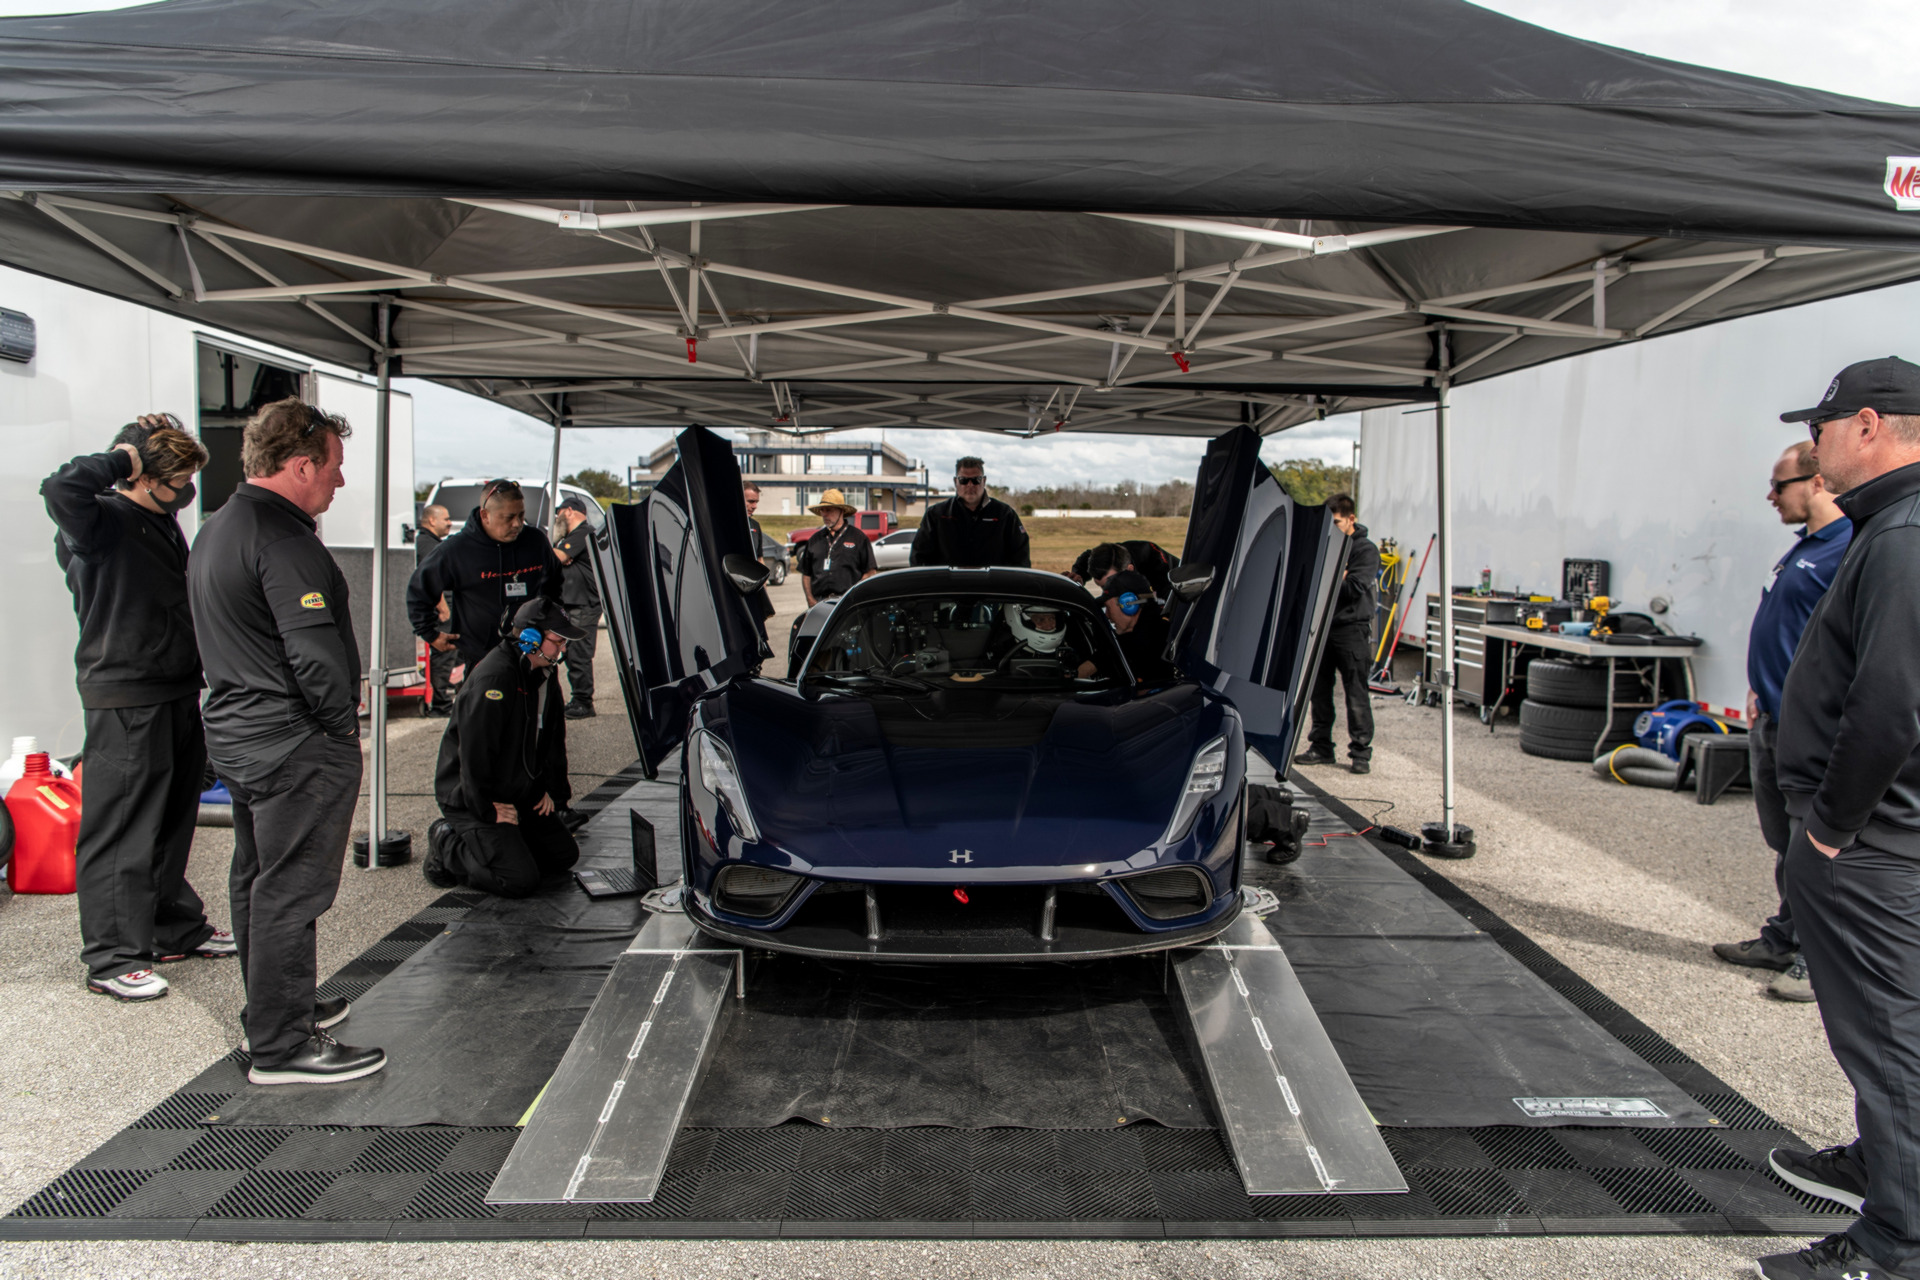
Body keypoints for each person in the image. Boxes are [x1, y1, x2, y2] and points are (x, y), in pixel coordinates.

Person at [1757, 356, 1920, 1280]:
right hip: (1876, 836)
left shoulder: (1903, 534)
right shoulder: (1886, 524)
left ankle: (1899, 1243)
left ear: (1869, 424)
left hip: (1870, 842)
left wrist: (1830, 828)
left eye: (1820, 429)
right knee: (1874, 1029)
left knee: (1890, 1035)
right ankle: (1883, 1165)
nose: (1813, 449)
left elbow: (1892, 705)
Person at [187, 397, 383, 1086]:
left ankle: (276, 1011)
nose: (339, 481)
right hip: (291, 741)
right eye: (332, 466)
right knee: (290, 891)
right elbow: (315, 656)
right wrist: (338, 727)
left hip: (242, 736)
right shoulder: (284, 539)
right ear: (301, 465)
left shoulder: (220, 526)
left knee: (256, 878)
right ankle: (280, 1046)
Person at [41, 415, 234, 1003]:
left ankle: (170, 928)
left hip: (176, 688)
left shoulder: (161, 519)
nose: (186, 490)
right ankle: (112, 956)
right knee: (121, 830)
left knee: (172, 820)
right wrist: (121, 457)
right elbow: (60, 489)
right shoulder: (99, 520)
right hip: (125, 695)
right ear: (142, 476)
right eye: (176, 478)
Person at [1712, 441, 1850, 1003]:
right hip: (1771, 716)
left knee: (1814, 847)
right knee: (1785, 841)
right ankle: (1785, 937)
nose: (1771, 496)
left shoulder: (1848, 548)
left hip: (1810, 728)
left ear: (1817, 482)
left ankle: (1821, 961)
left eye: (1779, 484)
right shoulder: (1804, 549)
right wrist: (1758, 682)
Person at [422, 598, 583, 898]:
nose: (563, 649)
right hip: (473, 798)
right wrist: (485, 809)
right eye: (558, 641)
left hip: (517, 790)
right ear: (530, 639)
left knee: (563, 857)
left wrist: (546, 789)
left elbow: (547, 741)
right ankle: (446, 842)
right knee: (519, 880)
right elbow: (473, 756)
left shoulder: (543, 674)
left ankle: (507, 844)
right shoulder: (494, 680)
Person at [406, 478, 561, 677]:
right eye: (508, 517)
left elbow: (554, 582)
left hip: (533, 653)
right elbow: (419, 590)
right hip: (482, 659)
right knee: (488, 707)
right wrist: (430, 634)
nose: (517, 523)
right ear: (485, 515)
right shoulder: (456, 550)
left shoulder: (536, 541)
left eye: (521, 515)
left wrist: (551, 622)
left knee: (539, 707)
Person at [1293, 495, 1380, 776]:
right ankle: (1321, 747)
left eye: (1337, 522)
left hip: (1352, 630)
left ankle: (1360, 752)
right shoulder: (1325, 546)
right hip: (1323, 629)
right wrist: (1337, 575)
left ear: (1351, 519)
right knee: (1319, 692)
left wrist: (1334, 578)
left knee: (1356, 692)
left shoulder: (1365, 550)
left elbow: (1354, 587)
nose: (1332, 528)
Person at [909, 456, 1031, 568]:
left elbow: (1021, 559)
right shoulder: (936, 515)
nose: (970, 485)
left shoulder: (1005, 515)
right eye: (963, 480)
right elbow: (918, 558)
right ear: (955, 482)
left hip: (992, 590)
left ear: (984, 481)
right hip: (949, 590)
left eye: (976, 480)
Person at [549, 494, 601, 720]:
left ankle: (584, 702)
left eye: (559, 512)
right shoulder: (570, 537)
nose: (557, 517)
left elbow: (558, 557)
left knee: (579, 653)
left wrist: (559, 554)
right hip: (573, 604)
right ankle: (578, 699)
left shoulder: (584, 532)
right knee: (570, 654)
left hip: (584, 604)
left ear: (569, 511)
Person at [1083, 570, 1176, 686]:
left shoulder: (1157, 639)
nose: (1107, 615)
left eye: (1108, 608)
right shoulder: (1133, 634)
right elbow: (1103, 657)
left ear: (1129, 604)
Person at [797, 488, 876, 608]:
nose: (824, 514)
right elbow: (806, 573)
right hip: (819, 603)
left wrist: (854, 595)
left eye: (829, 510)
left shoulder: (858, 538)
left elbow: (870, 572)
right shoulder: (814, 540)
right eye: (822, 510)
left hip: (848, 603)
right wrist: (810, 598)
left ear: (841, 511)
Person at [415, 503, 457, 715]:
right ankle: (441, 704)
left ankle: (446, 694)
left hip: (445, 605)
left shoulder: (431, 542)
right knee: (444, 653)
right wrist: (443, 607)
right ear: (432, 520)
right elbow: (431, 578)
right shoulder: (426, 544)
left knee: (452, 654)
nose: (450, 523)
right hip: (440, 609)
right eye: (446, 519)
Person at [1069, 539, 1177, 598]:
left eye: (1111, 585)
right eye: (1102, 587)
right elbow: (1088, 556)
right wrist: (1078, 574)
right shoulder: (1111, 555)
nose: (1107, 592)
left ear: (1129, 570)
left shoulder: (1160, 568)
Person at [742, 481, 775, 627]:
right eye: (750, 501)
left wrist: (764, 591)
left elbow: (760, 558)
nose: (754, 506)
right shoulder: (728, 524)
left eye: (756, 502)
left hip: (754, 590)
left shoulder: (755, 526)